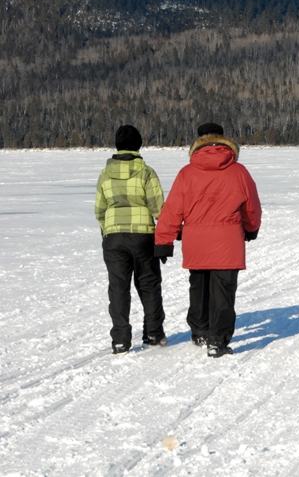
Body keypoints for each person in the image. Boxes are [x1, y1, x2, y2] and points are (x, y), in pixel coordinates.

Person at [155, 122, 262, 358]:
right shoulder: (239, 172)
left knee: (199, 286)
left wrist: (164, 240)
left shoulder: (187, 173)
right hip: (228, 242)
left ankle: (200, 330)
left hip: (196, 242)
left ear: (198, 142)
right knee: (223, 291)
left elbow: (172, 209)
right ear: (223, 140)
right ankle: (218, 340)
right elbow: (251, 206)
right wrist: (251, 228)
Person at [94, 124, 166, 354]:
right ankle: (153, 333)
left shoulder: (105, 173)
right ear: (139, 145)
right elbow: (158, 207)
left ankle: (120, 339)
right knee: (149, 284)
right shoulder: (146, 172)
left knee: (118, 288)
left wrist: (107, 231)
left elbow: (99, 209)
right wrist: (163, 235)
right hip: (143, 235)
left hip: (114, 237)